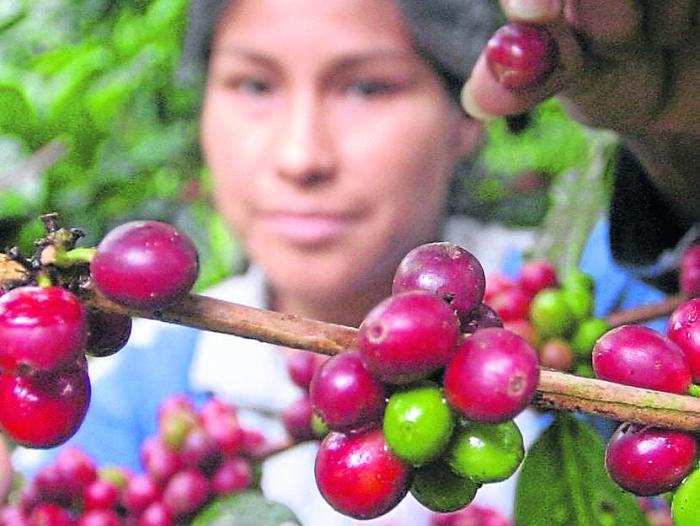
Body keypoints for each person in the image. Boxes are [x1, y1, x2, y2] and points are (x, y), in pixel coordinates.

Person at [11, 0, 700, 524]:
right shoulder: (131, 389)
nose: (301, 156)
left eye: (367, 87)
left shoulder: (611, 301)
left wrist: (681, 144)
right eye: (253, 86)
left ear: (467, 114)